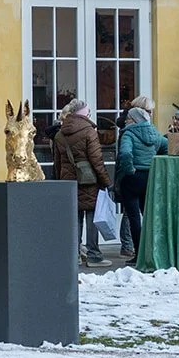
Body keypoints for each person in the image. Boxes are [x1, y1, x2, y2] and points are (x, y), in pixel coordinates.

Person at [54, 97, 110, 267]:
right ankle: (93, 254)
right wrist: (106, 181)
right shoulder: (89, 131)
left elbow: (57, 161)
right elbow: (96, 159)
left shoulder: (59, 133)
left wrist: (60, 180)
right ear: (84, 113)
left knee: (75, 217)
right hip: (89, 180)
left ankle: (75, 254)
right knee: (92, 216)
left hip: (68, 180)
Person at [116, 97, 167, 265]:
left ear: (134, 119)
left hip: (133, 179)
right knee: (149, 215)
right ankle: (155, 251)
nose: (127, 120)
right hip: (150, 177)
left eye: (130, 118)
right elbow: (166, 146)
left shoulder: (128, 133)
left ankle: (138, 254)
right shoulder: (154, 132)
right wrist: (157, 163)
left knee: (134, 218)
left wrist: (129, 170)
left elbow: (125, 154)